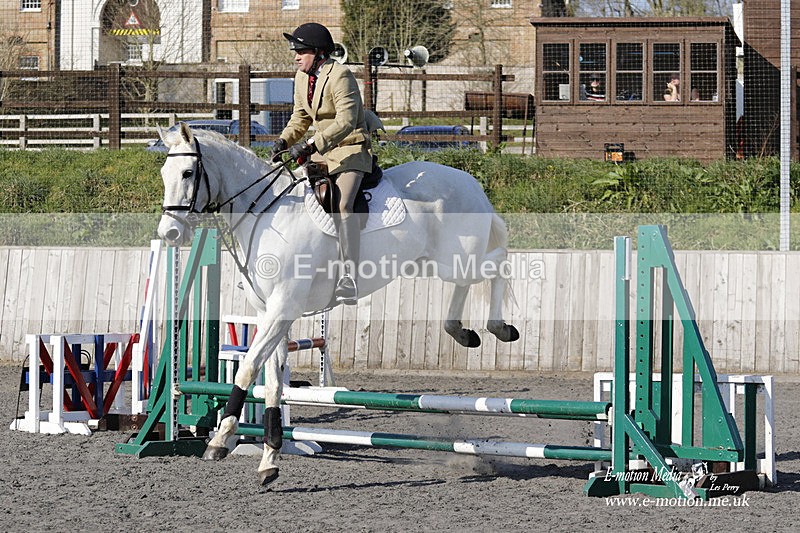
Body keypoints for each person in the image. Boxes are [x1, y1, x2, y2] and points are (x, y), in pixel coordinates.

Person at [272, 22, 374, 305]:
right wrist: (283, 141)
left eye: (301, 51)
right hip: (320, 150)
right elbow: (300, 118)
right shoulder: (302, 77)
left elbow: (346, 121)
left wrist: (309, 145)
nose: (296, 56)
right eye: (296, 51)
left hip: (350, 150)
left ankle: (350, 278)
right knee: (290, 189)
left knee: (342, 204)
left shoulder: (340, 75)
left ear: (318, 53)